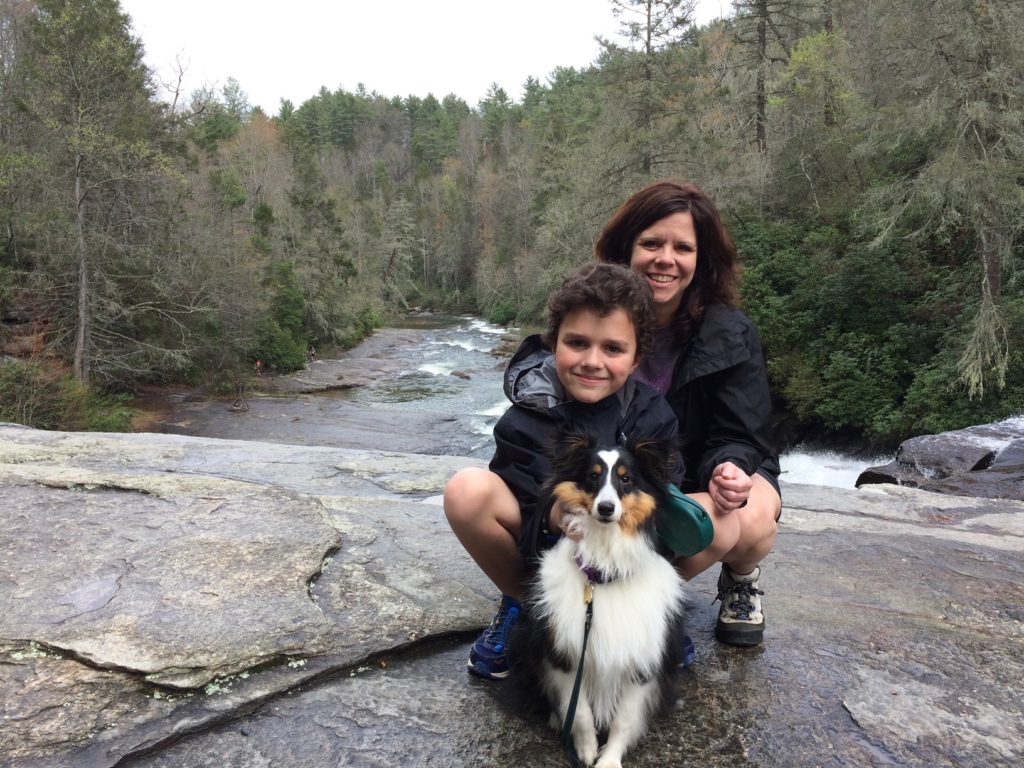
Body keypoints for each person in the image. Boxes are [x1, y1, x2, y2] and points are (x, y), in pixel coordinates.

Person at [443, 262, 682, 679]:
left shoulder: (651, 415)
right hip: (545, 551)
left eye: (612, 348)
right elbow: (523, 493)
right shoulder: (525, 416)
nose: (592, 361)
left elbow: (666, 497)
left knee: (714, 513)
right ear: (553, 343)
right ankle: (525, 605)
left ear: (636, 357)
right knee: (467, 491)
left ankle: (648, 618)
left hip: (626, 558)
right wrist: (556, 514)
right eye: (577, 343)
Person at [594, 179, 782, 648]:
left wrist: (730, 468)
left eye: (683, 247)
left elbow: (743, 429)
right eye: (651, 243)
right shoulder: (593, 316)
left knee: (751, 518)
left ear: (702, 260)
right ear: (625, 250)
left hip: (701, 470)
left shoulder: (729, 333)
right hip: (617, 475)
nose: (666, 259)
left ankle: (737, 580)